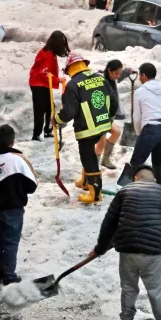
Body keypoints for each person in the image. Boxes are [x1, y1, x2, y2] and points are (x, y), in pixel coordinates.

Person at [88, 165, 161, 320]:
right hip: (153, 252)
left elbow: (109, 223)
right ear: (153, 180)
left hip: (128, 250)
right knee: (156, 292)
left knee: (128, 289)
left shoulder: (124, 192)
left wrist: (100, 248)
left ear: (136, 179)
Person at [0, 125, 37, 285]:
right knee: (11, 241)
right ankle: (9, 276)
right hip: (13, 210)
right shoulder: (19, 160)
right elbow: (32, 185)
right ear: (13, 141)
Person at [54, 52, 114, 204]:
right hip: (102, 124)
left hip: (87, 129)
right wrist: (108, 118)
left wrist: (56, 119)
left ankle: (95, 194)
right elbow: (113, 101)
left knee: (88, 158)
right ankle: (86, 181)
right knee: (88, 155)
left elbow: (69, 112)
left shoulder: (73, 85)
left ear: (70, 68)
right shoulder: (101, 79)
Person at [127, 63, 161, 187]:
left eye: (140, 75)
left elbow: (136, 117)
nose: (139, 78)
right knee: (158, 162)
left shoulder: (140, 92)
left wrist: (139, 132)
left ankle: (132, 191)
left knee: (136, 162)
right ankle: (160, 191)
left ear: (144, 75)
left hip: (150, 129)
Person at [29, 31, 69, 141]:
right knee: (40, 109)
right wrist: (57, 80)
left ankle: (47, 130)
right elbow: (44, 73)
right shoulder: (48, 55)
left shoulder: (50, 53)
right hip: (38, 84)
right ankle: (36, 134)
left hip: (43, 83)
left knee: (50, 107)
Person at [96, 60, 130, 169]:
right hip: (100, 117)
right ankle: (94, 167)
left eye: (119, 73)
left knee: (116, 132)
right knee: (101, 142)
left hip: (108, 118)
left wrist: (127, 72)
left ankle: (105, 160)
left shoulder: (112, 78)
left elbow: (118, 78)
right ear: (109, 70)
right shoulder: (101, 81)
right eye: (116, 73)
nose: (118, 76)